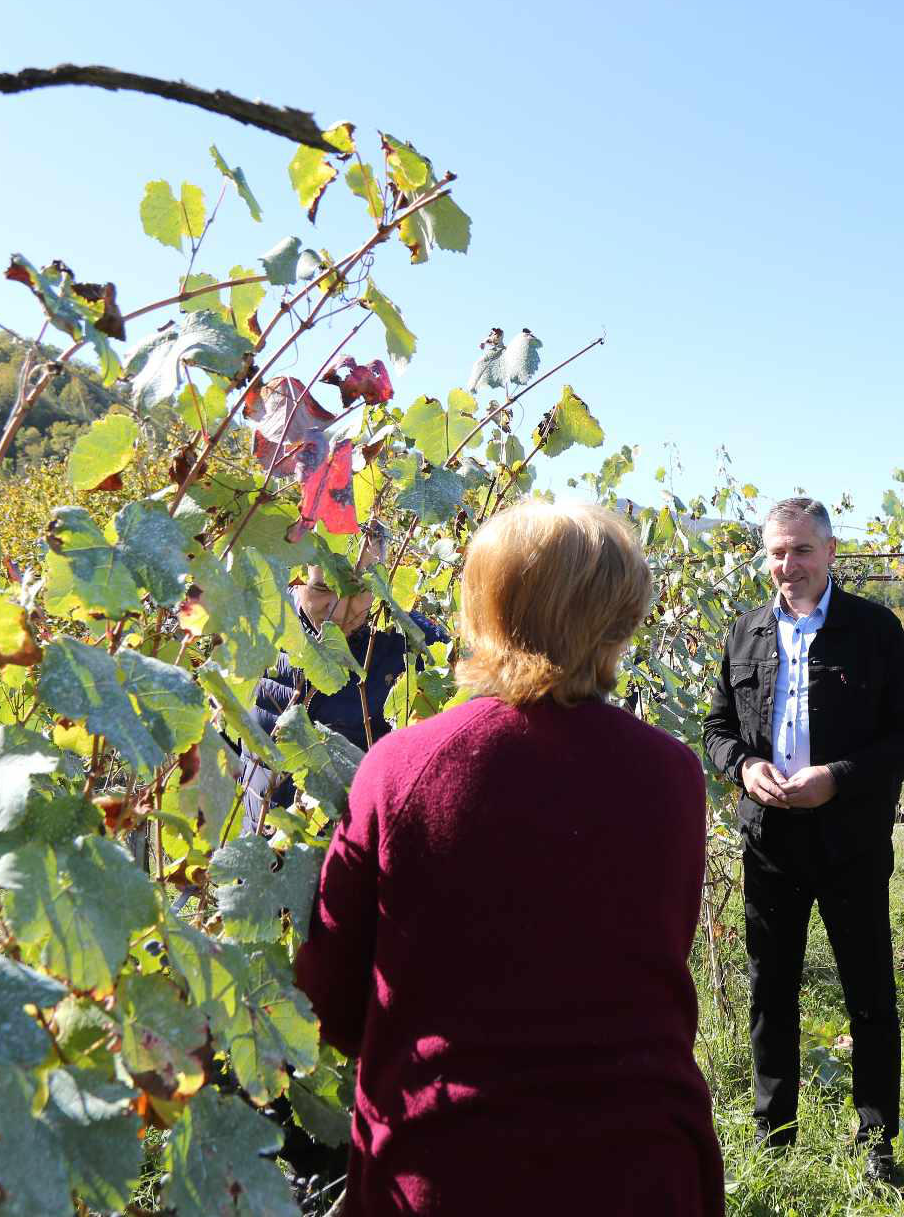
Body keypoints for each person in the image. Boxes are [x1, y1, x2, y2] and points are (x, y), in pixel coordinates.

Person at [295, 502, 724, 1216]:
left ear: (483, 608)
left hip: (446, 1166)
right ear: (621, 618)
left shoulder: (401, 769)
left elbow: (333, 1003)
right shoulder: (671, 772)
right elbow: (653, 965)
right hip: (641, 1165)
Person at [702, 497, 904, 1185]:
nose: (788, 564)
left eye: (802, 550)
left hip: (849, 841)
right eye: (777, 552)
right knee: (770, 988)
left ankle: (877, 1144)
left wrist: (838, 778)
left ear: (831, 552)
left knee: (868, 991)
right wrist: (745, 767)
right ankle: (773, 1137)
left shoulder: (874, 630)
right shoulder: (746, 631)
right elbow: (717, 728)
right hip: (769, 840)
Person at [234, 525, 446, 835]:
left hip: (343, 854)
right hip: (258, 847)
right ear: (297, 574)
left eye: (358, 589)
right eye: (322, 588)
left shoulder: (410, 643)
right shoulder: (262, 620)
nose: (339, 609)